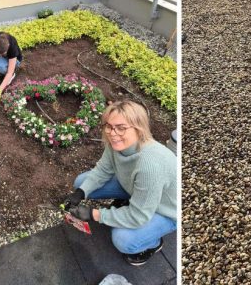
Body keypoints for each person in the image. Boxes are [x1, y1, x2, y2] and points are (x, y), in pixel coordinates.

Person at [61, 100, 177, 266]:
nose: (112, 133)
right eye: (109, 126)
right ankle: (131, 201)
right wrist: (81, 192)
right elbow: (102, 171)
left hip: (166, 209)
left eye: (121, 127)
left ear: (139, 127)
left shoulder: (150, 165)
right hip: (136, 188)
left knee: (123, 240)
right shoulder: (116, 144)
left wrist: (95, 214)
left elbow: (138, 216)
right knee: (82, 181)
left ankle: (153, 243)